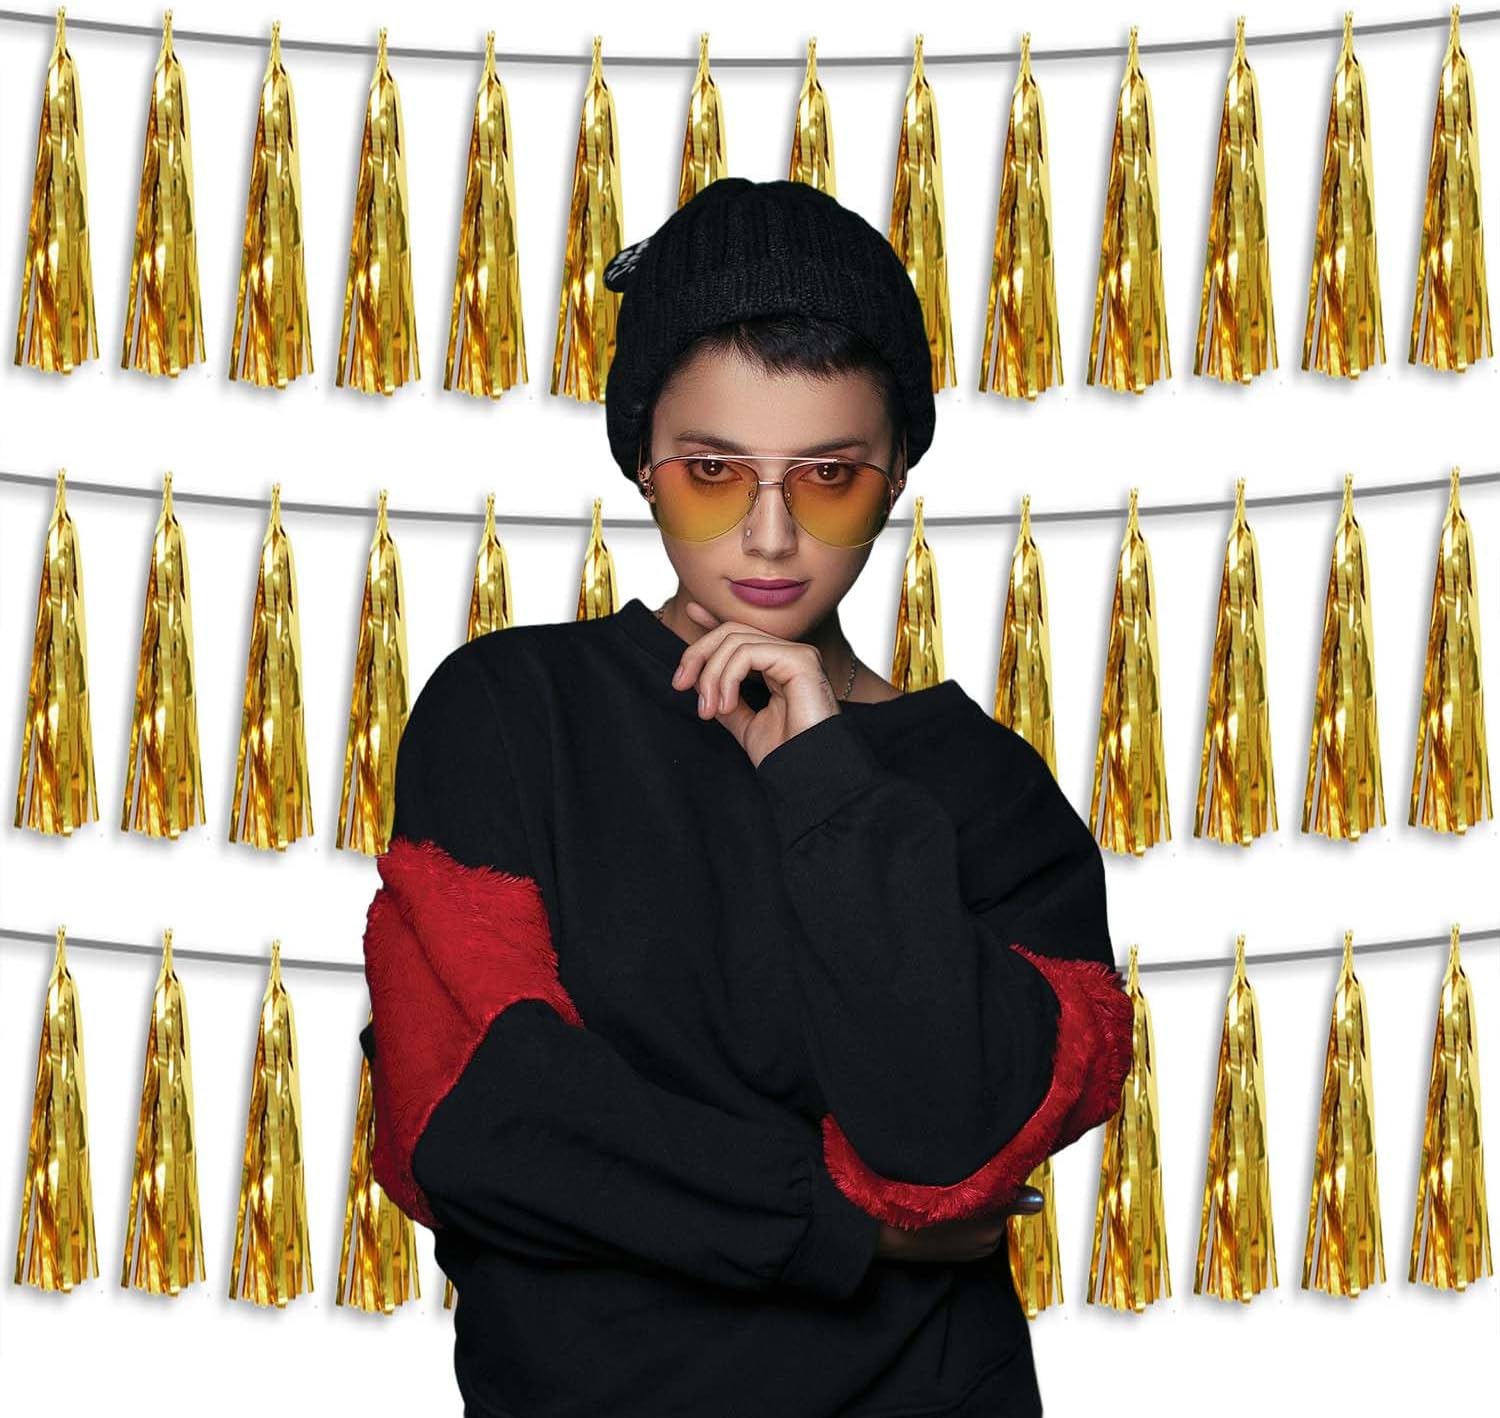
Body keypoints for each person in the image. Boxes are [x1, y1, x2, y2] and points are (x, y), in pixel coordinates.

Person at [360, 177, 1133, 1418]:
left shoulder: (992, 789)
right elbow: (471, 1124)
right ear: (642, 460)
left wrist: (820, 775)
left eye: (829, 475)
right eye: (714, 471)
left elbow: (947, 1138)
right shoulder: (509, 708)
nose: (770, 536)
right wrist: (852, 1225)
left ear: (895, 473)